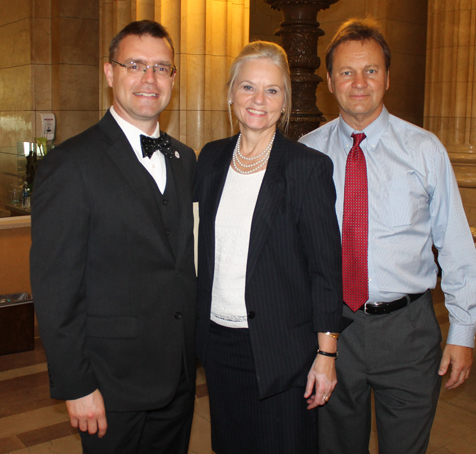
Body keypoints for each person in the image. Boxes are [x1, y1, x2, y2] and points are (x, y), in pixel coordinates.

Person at [300, 18, 476, 454]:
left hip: (408, 332)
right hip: (331, 331)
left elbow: (454, 244)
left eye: (370, 70)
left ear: (388, 77)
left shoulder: (424, 150)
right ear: (329, 80)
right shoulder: (306, 154)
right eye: (346, 71)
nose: (358, 82)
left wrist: (462, 331)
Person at [30, 20, 197, 454]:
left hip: (177, 377)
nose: (149, 79)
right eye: (136, 65)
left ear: (173, 79)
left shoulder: (185, 159)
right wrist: (76, 383)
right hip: (109, 384)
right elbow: (54, 288)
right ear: (109, 73)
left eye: (162, 68)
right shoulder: (71, 164)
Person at [194, 41, 346, 454]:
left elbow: (326, 271)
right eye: (248, 87)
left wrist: (326, 354)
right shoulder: (209, 160)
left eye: (272, 90)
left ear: (285, 104)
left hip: (283, 351)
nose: (258, 100)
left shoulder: (305, 168)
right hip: (219, 345)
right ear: (230, 94)